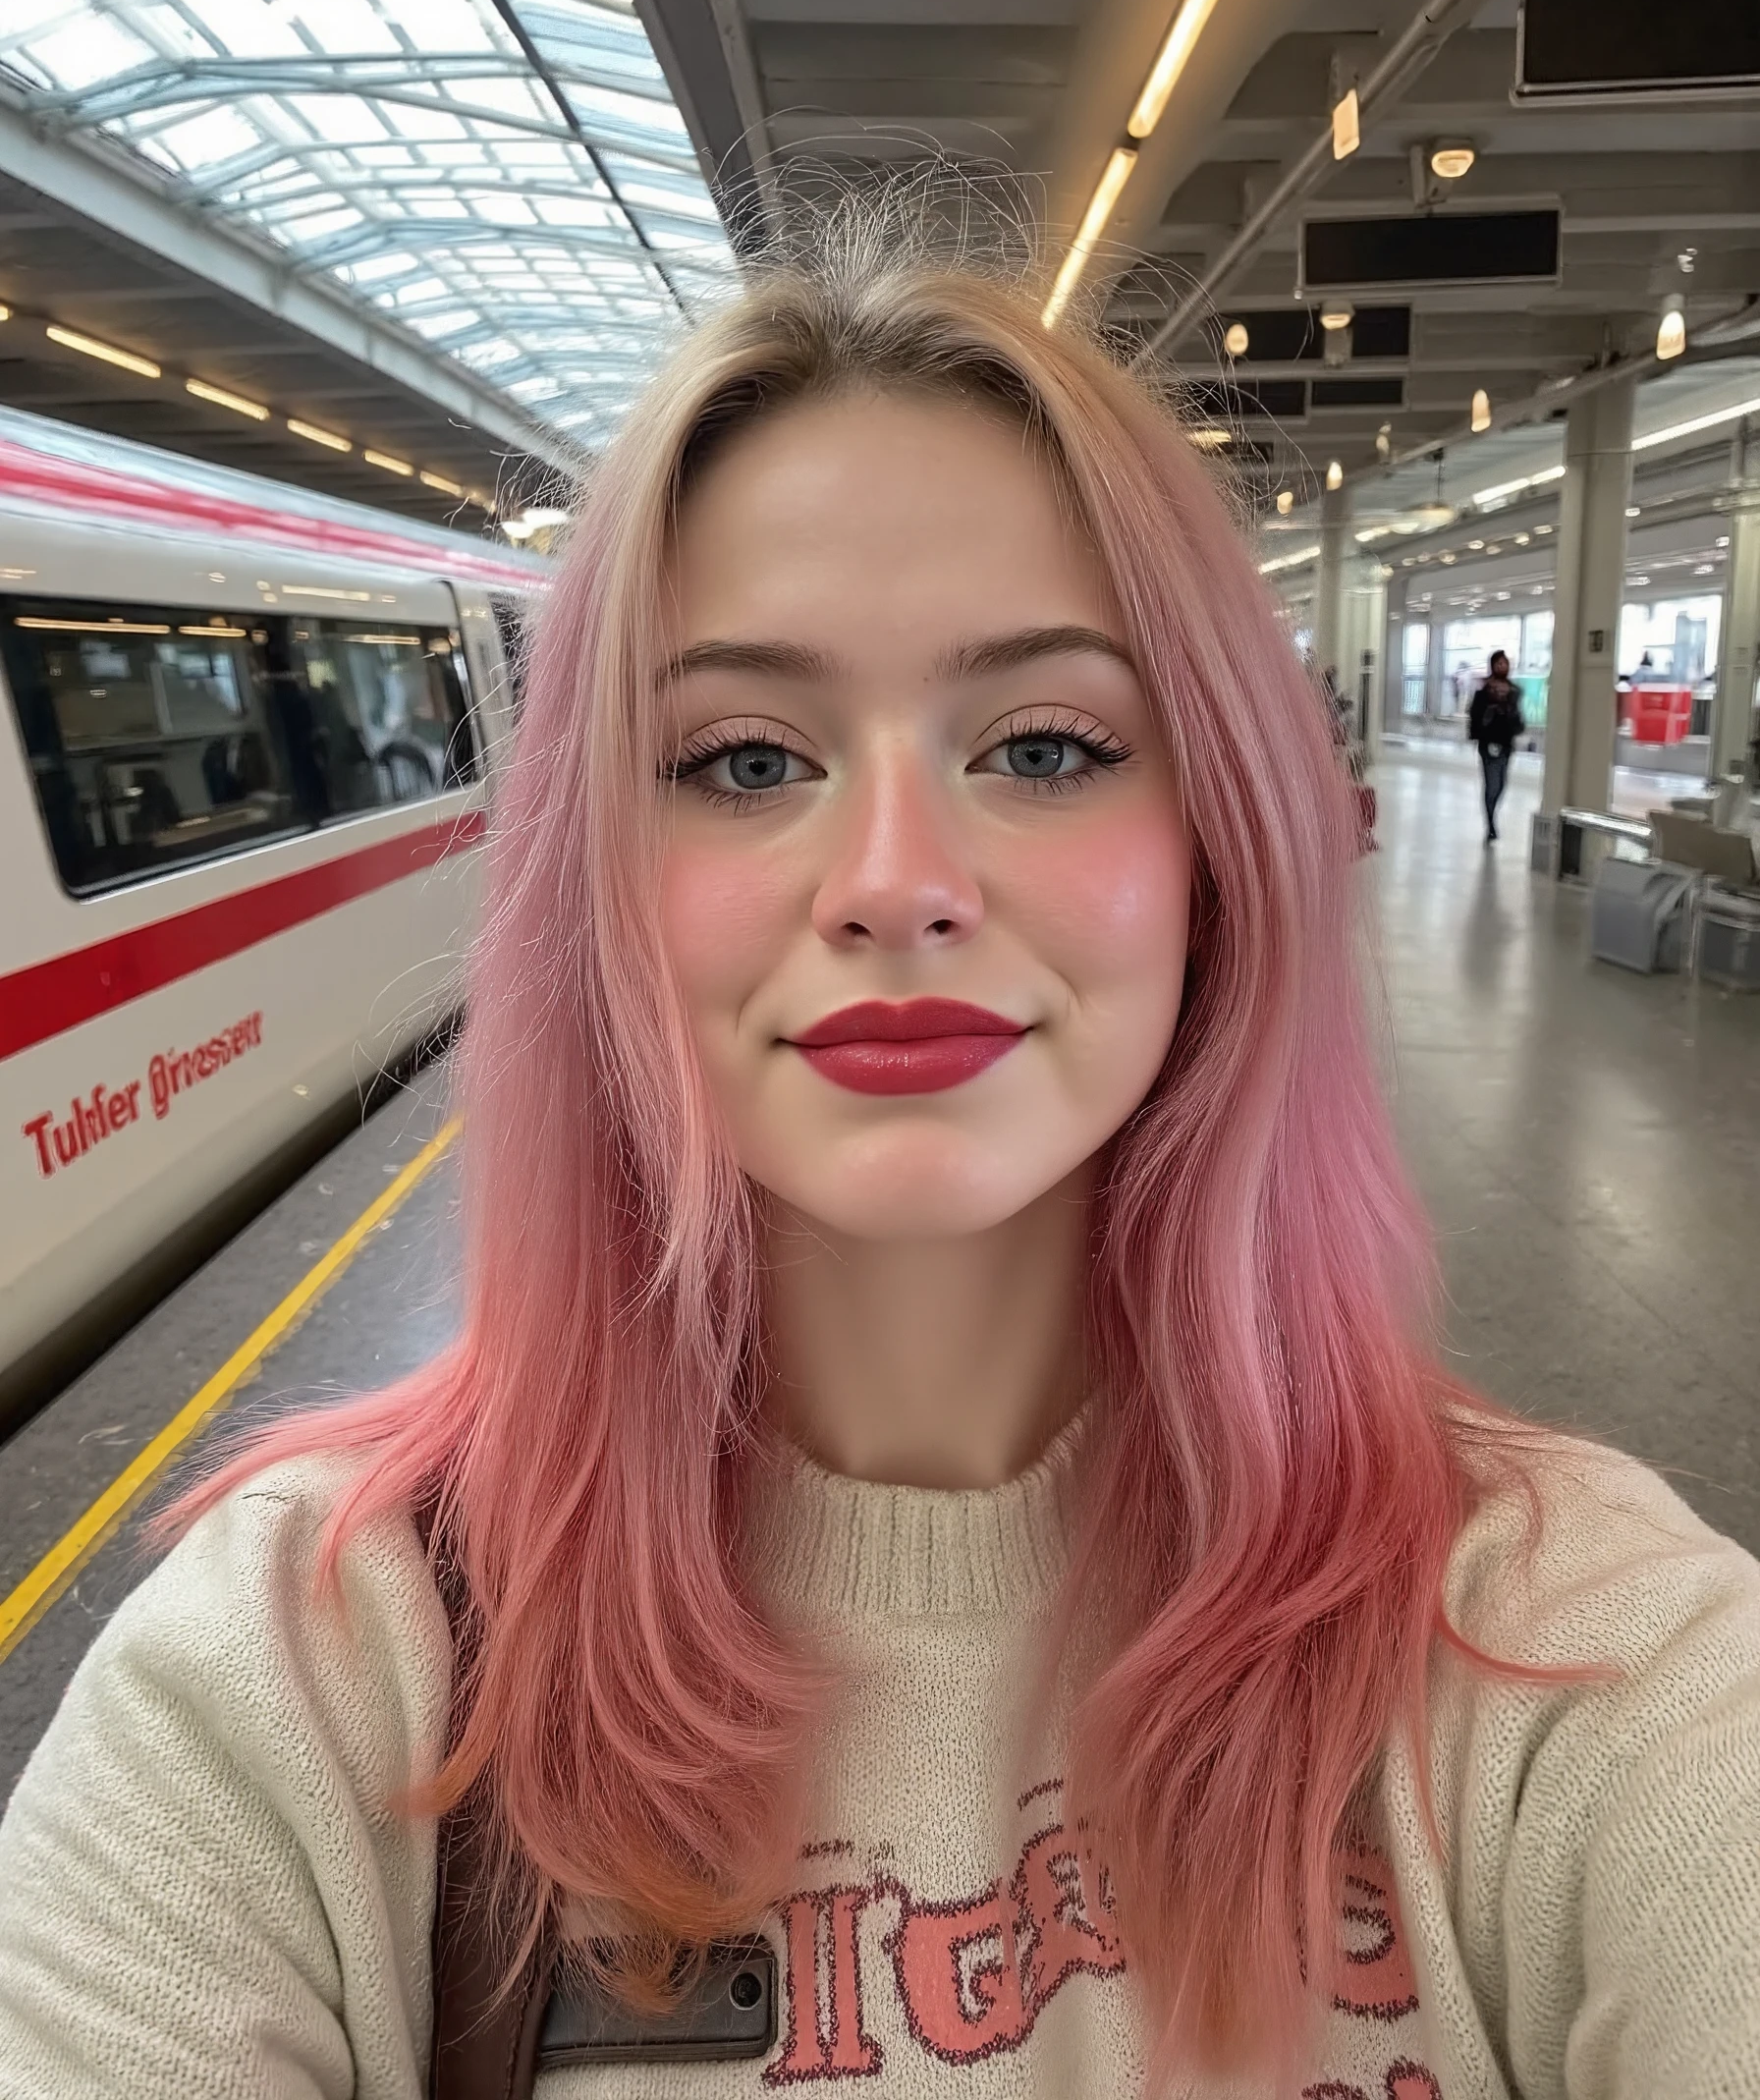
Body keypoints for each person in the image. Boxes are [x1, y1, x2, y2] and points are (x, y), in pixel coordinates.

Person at [2, 234, 1758, 2100]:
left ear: (1214, 848)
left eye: (1049, 741)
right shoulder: (301, 1676)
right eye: (747, 759)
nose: (895, 877)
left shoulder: (1570, 1646)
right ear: (592, 881)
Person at [1466, 648, 1524, 843]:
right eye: (1498, 663)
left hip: (1506, 744)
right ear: (1492, 666)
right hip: (1488, 744)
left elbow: (1518, 718)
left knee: (1501, 785)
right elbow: (1475, 717)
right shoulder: (1483, 693)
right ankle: (1490, 823)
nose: (1502, 666)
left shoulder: (1514, 692)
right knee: (1492, 785)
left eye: (1504, 663)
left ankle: (1491, 816)